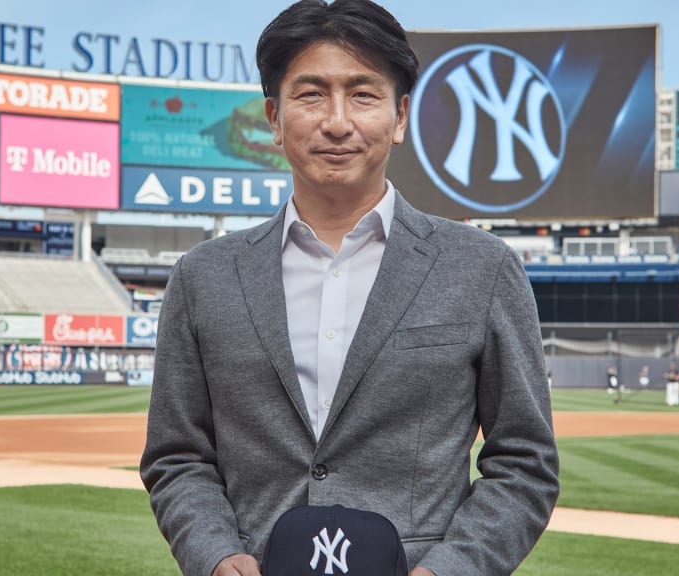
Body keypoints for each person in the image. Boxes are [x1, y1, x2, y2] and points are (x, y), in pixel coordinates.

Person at [139, 2, 560, 575]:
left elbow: (525, 462)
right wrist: (214, 555)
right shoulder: (202, 276)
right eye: (311, 94)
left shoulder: (482, 268)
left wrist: (453, 569)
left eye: (363, 95)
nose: (337, 121)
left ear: (401, 116)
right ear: (274, 117)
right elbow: (177, 456)